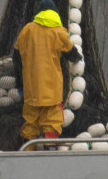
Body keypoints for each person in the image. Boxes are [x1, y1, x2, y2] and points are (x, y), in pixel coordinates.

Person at [14, 7, 74, 143]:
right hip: (51, 90)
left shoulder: (27, 30)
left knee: (30, 122)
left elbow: (16, 56)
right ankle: (49, 149)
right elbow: (71, 52)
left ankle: (28, 150)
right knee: (52, 121)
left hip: (32, 91)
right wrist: (78, 58)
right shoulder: (58, 32)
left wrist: (19, 82)